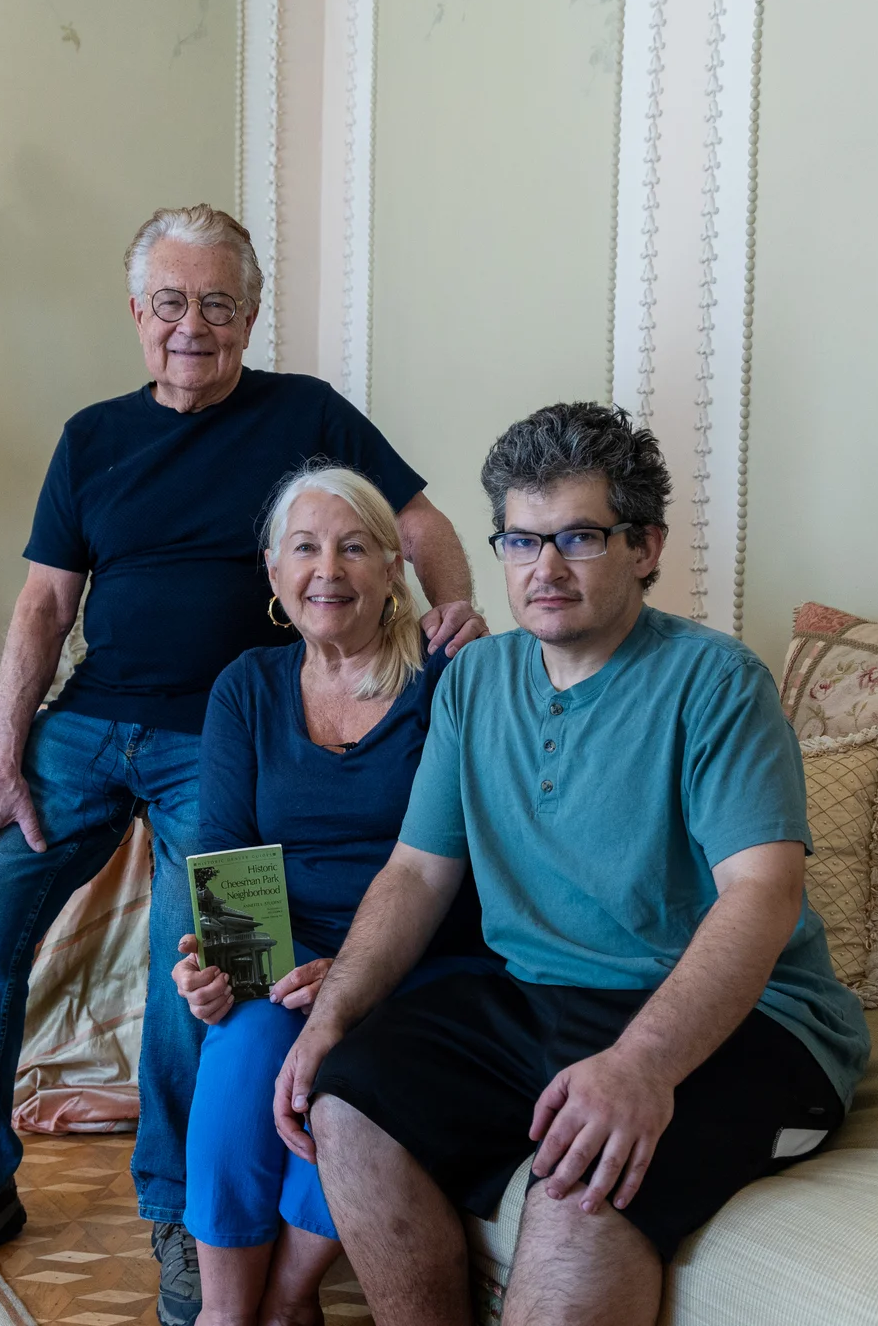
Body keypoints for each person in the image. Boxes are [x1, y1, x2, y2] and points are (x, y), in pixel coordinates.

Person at [0, 205, 488, 1326]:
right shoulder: (91, 436)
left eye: (214, 304)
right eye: (168, 302)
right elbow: (47, 600)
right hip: (89, 720)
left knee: (195, 955)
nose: (190, 327)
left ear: (248, 315)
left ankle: (178, 1209)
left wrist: (455, 615)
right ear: (134, 313)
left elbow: (417, 521)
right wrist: (0, 753)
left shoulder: (304, 413)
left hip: (225, 729)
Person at [272, 403, 871, 1326]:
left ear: (645, 546)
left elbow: (762, 891)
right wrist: (334, 1018)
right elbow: (416, 872)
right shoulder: (473, 680)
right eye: (520, 540)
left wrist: (641, 1065)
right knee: (349, 1101)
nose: (543, 569)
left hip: (754, 1024)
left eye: (578, 537)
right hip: (543, 998)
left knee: (577, 1188)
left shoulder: (716, 681)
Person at [173, 463, 494, 1326]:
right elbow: (226, 858)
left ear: (394, 568)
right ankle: (224, 1312)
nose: (329, 569)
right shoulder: (247, 685)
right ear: (275, 573)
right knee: (242, 1057)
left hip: (415, 957)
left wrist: (352, 977)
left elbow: (462, 869)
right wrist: (217, 968)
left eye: (355, 547)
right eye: (306, 548)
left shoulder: (445, 678)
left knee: (344, 1076)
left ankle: (285, 1302)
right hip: (278, 953)